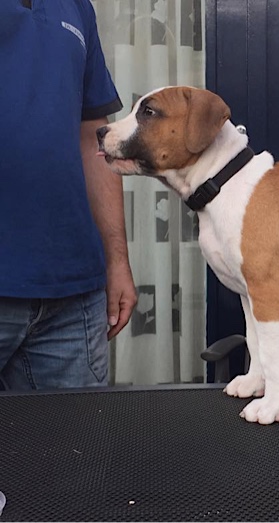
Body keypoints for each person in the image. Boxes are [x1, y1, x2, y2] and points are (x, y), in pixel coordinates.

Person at [0, 0, 137, 390]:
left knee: (80, 430)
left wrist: (117, 260)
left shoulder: (77, 7)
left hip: (73, 297)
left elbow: (93, 134)